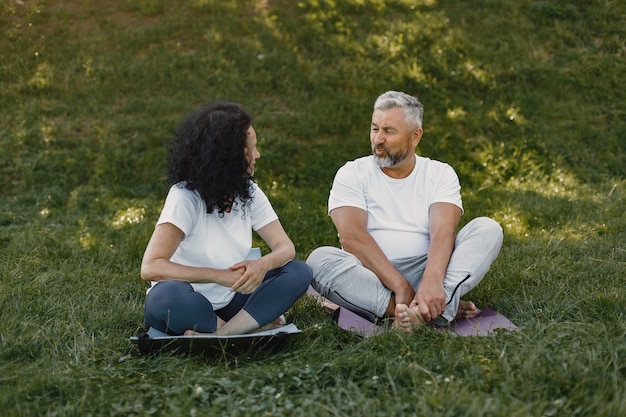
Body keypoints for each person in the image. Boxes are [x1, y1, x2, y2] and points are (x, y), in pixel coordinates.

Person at [306, 91, 503, 333]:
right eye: (375, 128)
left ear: (415, 136)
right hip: (370, 275)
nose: (378, 139)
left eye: (389, 131)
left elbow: (443, 231)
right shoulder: (352, 173)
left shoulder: (440, 173)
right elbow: (352, 237)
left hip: (429, 268)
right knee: (318, 260)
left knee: (488, 228)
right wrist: (400, 286)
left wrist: (432, 280)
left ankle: (423, 309)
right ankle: (424, 311)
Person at [141, 101, 312, 336]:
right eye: (251, 149)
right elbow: (151, 266)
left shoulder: (249, 192)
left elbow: (285, 248)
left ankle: (221, 335)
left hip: (233, 298)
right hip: (188, 300)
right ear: (228, 157)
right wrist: (217, 276)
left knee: (298, 272)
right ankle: (250, 327)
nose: (257, 155)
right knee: (165, 299)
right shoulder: (184, 197)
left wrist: (261, 265)